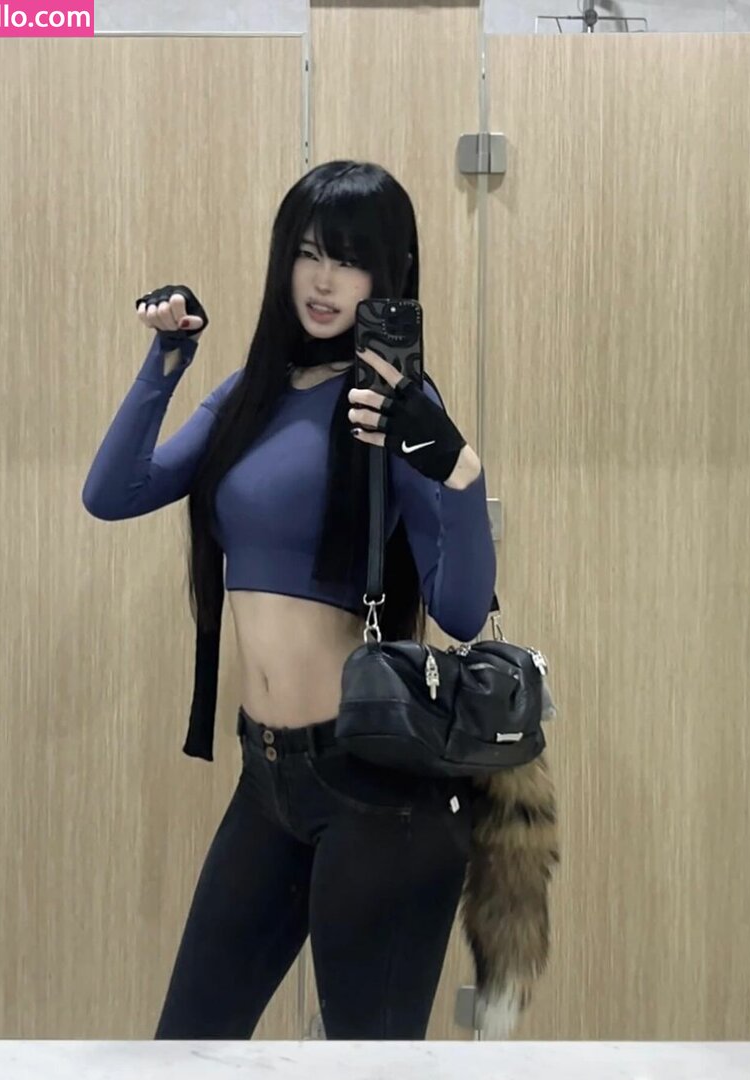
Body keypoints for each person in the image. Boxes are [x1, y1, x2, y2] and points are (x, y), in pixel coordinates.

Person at [82, 160, 536, 1041]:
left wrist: (460, 470)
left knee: (370, 1063)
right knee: (188, 1046)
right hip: (267, 779)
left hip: (375, 789)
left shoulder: (393, 405)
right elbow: (113, 492)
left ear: (389, 274)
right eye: (308, 253)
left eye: (350, 260)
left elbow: (460, 610)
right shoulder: (250, 394)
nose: (323, 281)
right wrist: (167, 359)